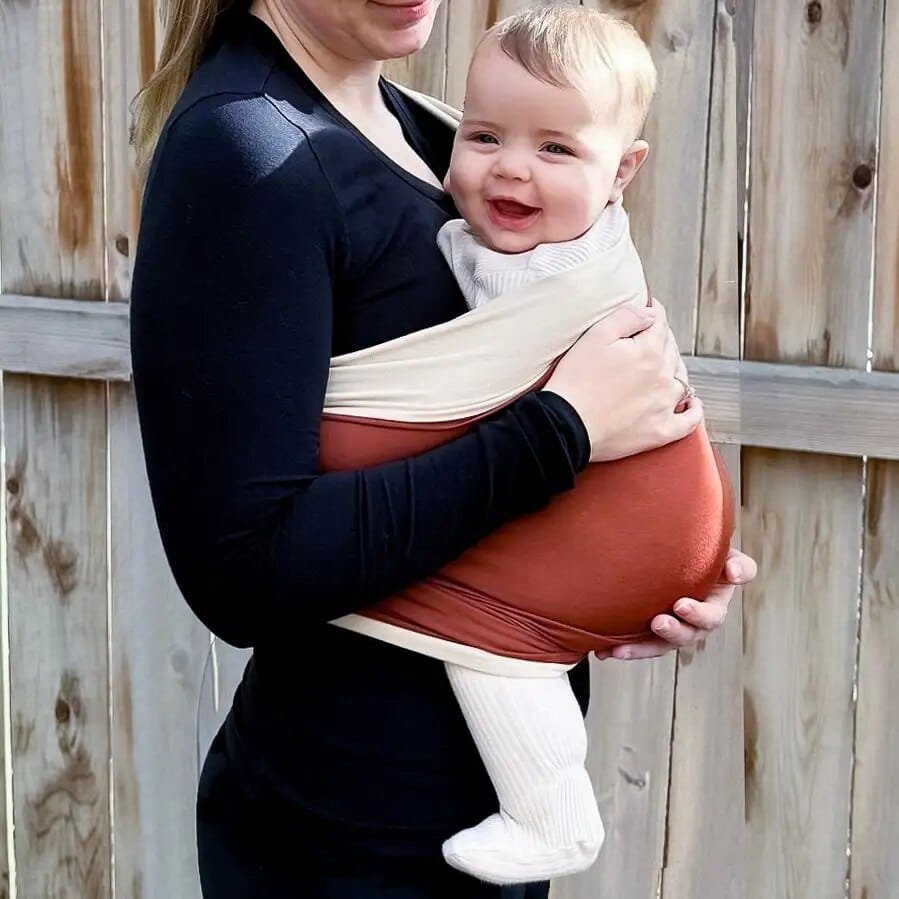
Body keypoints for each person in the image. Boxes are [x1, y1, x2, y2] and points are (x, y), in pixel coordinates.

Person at [128, 1, 757, 897]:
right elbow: (242, 566)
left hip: (463, 807)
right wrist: (565, 429)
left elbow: (471, 446)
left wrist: (635, 562)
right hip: (356, 832)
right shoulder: (251, 154)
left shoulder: (423, 126)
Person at [315, 7, 732, 886]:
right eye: (484, 134)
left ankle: (551, 813)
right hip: (639, 525)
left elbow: (486, 394)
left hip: (628, 522)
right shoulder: (537, 239)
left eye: (554, 149)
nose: (510, 167)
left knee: (482, 640)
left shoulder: (537, 271)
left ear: (622, 172)